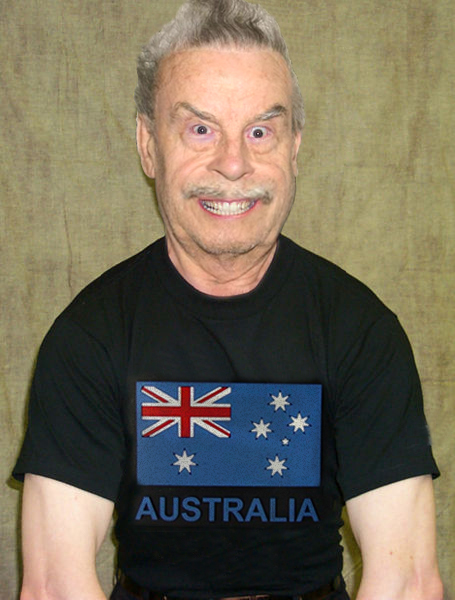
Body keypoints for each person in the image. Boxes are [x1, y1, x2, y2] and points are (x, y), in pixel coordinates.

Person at [14, 0, 443, 599]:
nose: (234, 163)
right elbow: (55, 586)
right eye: (200, 129)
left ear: (294, 147)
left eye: (260, 132)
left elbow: (407, 582)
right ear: (148, 146)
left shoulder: (361, 331)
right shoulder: (89, 337)